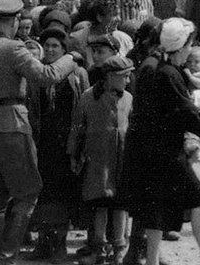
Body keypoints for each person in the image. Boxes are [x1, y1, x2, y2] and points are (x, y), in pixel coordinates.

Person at [0, 0, 78, 265]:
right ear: (14, 21)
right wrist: (71, 58)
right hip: (12, 125)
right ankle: (5, 258)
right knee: (27, 193)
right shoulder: (15, 49)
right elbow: (46, 77)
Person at [121, 18, 200, 265]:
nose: (190, 50)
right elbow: (185, 111)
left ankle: (154, 261)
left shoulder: (156, 67)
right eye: (188, 45)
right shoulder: (168, 73)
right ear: (180, 45)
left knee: (154, 213)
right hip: (166, 154)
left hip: (148, 151)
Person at [26, 28, 89, 263]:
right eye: (48, 46)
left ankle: (60, 245)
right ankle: (43, 243)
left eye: (56, 46)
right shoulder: (38, 74)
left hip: (67, 143)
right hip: (44, 142)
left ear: (65, 50)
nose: (51, 50)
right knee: (43, 194)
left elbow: (84, 108)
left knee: (63, 195)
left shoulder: (78, 73)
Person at [68, 55, 134, 265]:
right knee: (100, 203)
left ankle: (120, 247)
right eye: (124, 76)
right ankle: (99, 246)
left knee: (120, 204)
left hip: (121, 159)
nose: (128, 81)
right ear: (110, 76)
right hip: (97, 160)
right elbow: (77, 127)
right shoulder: (89, 97)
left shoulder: (128, 98)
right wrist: (73, 154)